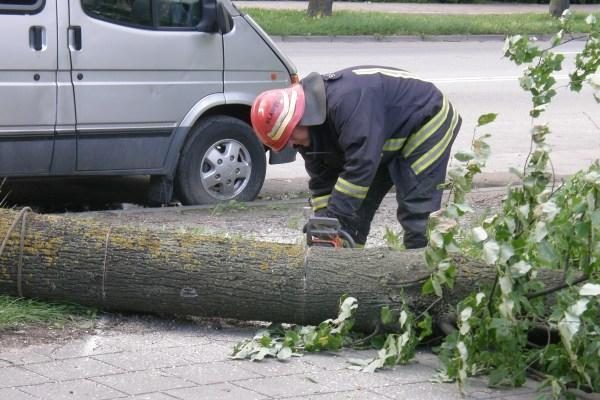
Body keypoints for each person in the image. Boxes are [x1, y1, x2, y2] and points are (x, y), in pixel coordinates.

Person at [250, 66, 462, 249]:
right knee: (353, 213)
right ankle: (347, 272)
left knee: (417, 211)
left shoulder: (347, 104)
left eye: (289, 138)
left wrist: (332, 217)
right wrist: (326, 225)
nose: (292, 146)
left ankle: (424, 275)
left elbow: (361, 167)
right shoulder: (309, 135)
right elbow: (323, 185)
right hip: (380, 139)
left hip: (427, 118)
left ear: (299, 119)